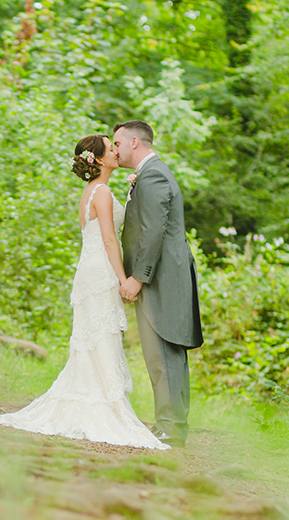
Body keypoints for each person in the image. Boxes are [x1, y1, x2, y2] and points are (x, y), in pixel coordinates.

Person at [0, 134, 169, 450]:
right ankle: (105, 408)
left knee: (92, 339)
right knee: (101, 336)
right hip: (101, 272)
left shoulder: (90, 192)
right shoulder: (103, 193)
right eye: (111, 149)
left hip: (89, 270)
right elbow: (110, 240)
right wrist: (125, 279)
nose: (116, 151)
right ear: (98, 160)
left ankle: (94, 400)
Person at [112, 120, 204, 448]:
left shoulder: (153, 175)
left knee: (164, 352)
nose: (116, 150)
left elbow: (152, 231)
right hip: (160, 275)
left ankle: (171, 428)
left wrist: (137, 277)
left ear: (135, 142)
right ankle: (169, 423)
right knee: (160, 354)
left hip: (161, 277)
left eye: (118, 143)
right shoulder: (151, 174)